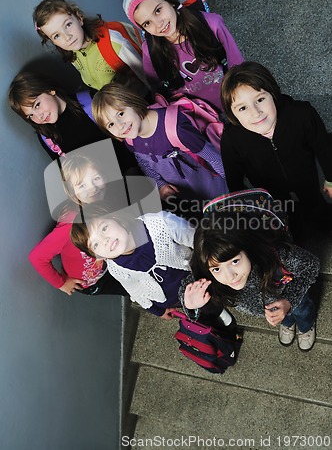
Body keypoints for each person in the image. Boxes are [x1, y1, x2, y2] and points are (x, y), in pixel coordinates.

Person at [219, 61, 332, 240]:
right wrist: (247, 208)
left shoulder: (301, 114)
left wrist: (330, 179)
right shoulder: (231, 141)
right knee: (284, 217)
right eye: (242, 108)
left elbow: (324, 147)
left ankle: (320, 222)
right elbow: (235, 181)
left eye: (260, 99)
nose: (256, 113)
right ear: (233, 115)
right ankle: (293, 232)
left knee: (314, 204)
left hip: (306, 176)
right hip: (269, 191)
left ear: (273, 94)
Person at [180, 209, 320, 352]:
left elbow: (311, 266)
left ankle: (306, 327)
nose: (229, 276)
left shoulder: (278, 254)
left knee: (302, 311)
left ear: (248, 247)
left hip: (288, 292)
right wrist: (191, 307)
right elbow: (187, 289)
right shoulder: (207, 276)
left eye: (235, 261)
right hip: (270, 308)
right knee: (283, 316)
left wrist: (289, 300)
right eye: (216, 269)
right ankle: (287, 322)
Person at [122, 0, 244, 112]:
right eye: (147, 23)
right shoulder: (150, 50)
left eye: (158, 11)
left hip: (233, 98)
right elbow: (159, 89)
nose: (158, 24)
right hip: (197, 115)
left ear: (170, 2)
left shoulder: (212, 24)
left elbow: (237, 62)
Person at [92, 83, 228, 204]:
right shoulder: (130, 139)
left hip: (218, 192)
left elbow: (215, 159)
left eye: (120, 114)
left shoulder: (177, 130)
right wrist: (160, 184)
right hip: (188, 199)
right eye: (110, 124)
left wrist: (235, 190)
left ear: (133, 103)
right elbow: (144, 163)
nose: (120, 126)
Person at [70, 203, 195, 319]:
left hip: (199, 275)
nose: (105, 240)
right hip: (172, 299)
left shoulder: (160, 223)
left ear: (115, 217)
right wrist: (158, 311)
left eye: (104, 229)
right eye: (95, 245)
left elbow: (197, 239)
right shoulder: (116, 268)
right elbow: (134, 290)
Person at [29, 155, 129, 297]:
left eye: (96, 178)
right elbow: (37, 257)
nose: (93, 188)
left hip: (109, 265)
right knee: (126, 290)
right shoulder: (71, 224)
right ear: (71, 192)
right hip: (92, 283)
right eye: (82, 185)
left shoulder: (103, 203)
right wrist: (61, 283)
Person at [8, 71, 136, 173]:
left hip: (133, 167)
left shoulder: (90, 102)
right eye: (30, 116)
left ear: (50, 90)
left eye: (37, 105)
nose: (39, 116)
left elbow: (129, 131)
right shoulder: (47, 137)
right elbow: (69, 173)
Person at [33, 0, 149, 95]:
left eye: (68, 25)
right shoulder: (72, 51)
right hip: (115, 105)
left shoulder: (113, 42)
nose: (67, 37)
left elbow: (148, 76)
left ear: (79, 18)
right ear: (53, 41)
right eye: (56, 36)